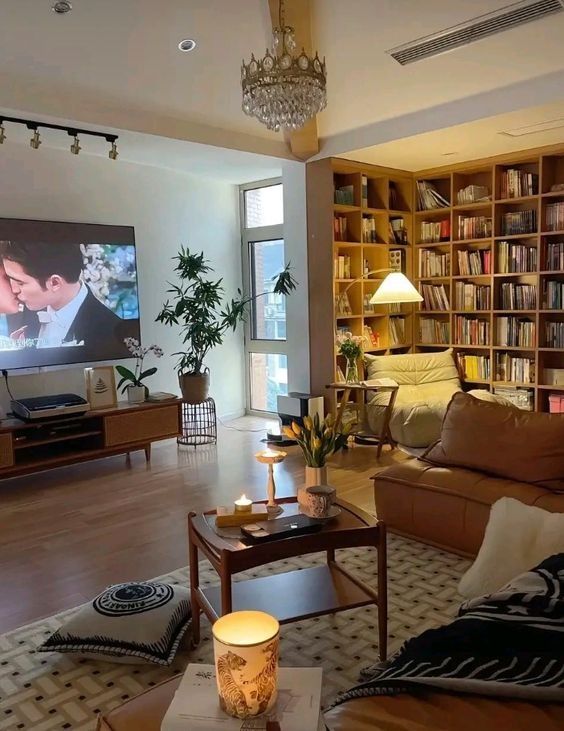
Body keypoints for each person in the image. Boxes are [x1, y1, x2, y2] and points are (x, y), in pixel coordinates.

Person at [0, 241, 130, 355]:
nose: (14, 289)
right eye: (9, 278)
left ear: (55, 283)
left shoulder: (112, 332)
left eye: (20, 283)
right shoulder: (24, 309)